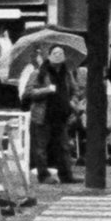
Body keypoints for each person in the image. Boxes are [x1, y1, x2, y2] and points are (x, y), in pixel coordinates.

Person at [23, 45, 76, 183]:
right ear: (49, 55)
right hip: (43, 115)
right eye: (55, 52)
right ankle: (43, 175)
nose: (58, 55)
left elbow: (74, 90)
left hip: (61, 115)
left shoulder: (67, 73)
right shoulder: (38, 73)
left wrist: (72, 101)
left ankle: (66, 175)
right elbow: (28, 93)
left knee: (64, 147)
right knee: (41, 148)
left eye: (61, 53)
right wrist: (46, 90)